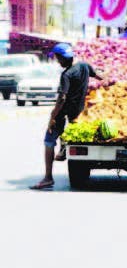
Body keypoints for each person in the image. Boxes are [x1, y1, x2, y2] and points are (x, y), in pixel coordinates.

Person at [32, 43, 102, 190]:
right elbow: (98, 76)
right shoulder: (84, 66)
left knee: (49, 140)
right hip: (78, 112)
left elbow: (62, 98)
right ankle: (63, 149)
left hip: (63, 113)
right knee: (69, 131)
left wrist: (52, 115)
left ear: (63, 58)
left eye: (58, 59)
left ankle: (48, 178)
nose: (58, 62)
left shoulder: (67, 75)